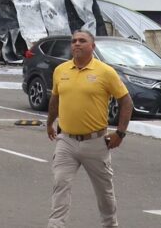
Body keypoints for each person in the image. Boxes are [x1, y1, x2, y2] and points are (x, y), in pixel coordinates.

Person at [46, 30, 134, 228]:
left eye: (82, 41)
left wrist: (120, 133)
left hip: (95, 143)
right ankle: (55, 225)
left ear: (92, 47)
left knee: (104, 190)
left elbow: (126, 102)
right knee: (60, 184)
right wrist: (50, 122)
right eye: (74, 41)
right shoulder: (61, 70)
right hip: (66, 141)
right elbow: (55, 98)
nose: (77, 44)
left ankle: (110, 224)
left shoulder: (105, 72)